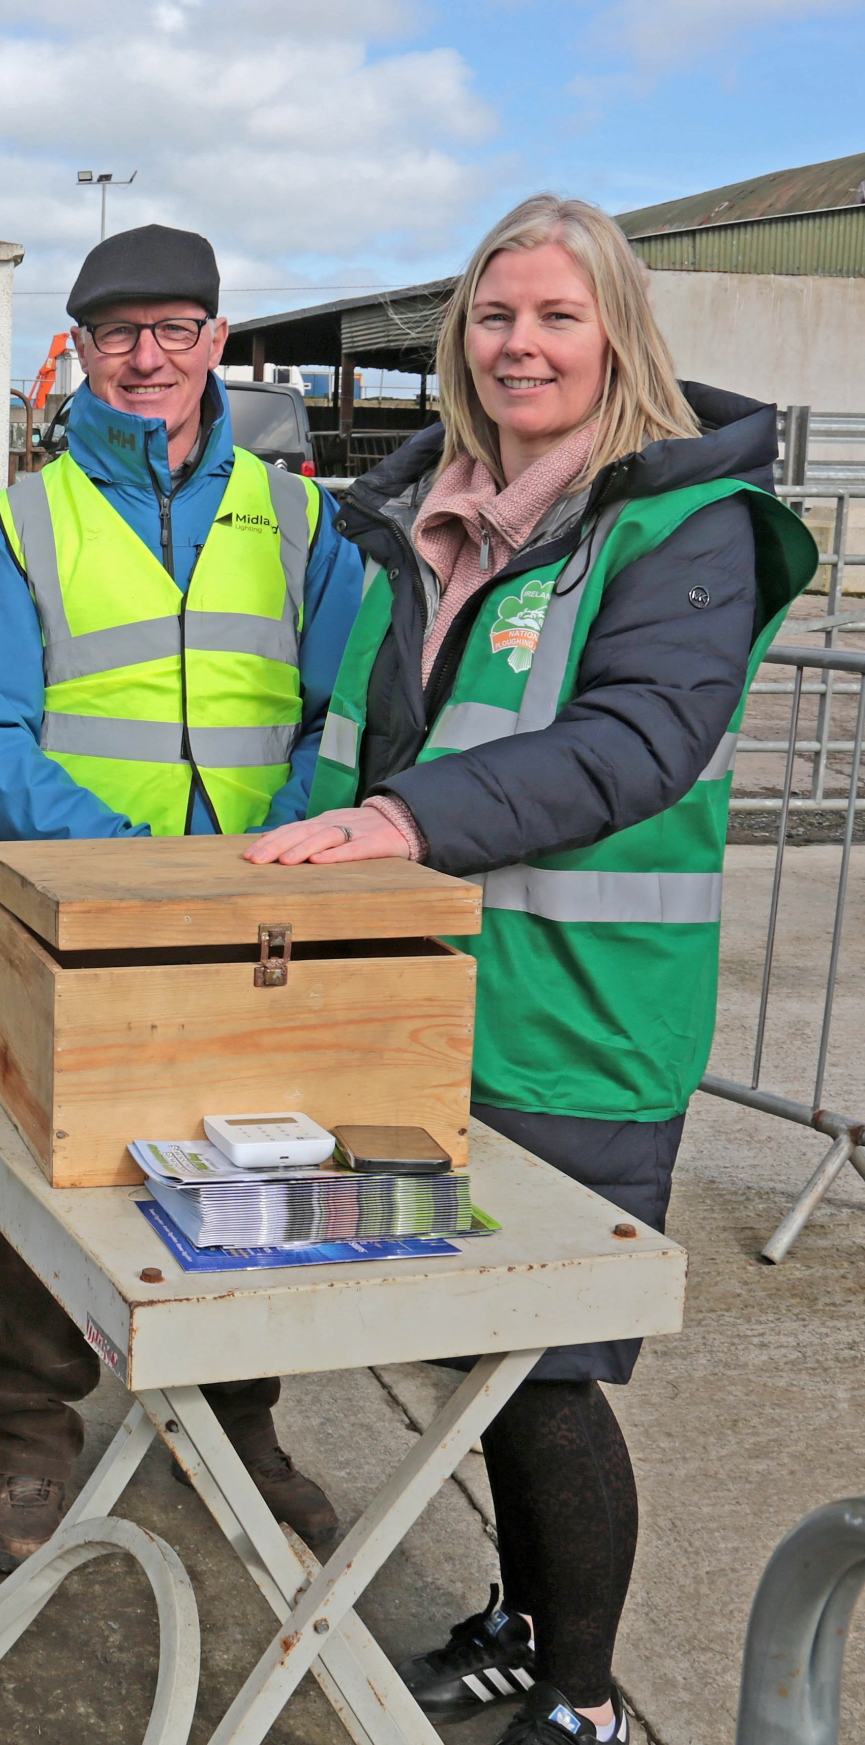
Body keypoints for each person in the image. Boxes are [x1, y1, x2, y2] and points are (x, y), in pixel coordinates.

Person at [250, 194, 816, 1745]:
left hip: (576, 1014)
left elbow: (637, 740)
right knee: (469, 1347)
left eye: (559, 315)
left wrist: (400, 822)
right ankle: (524, 1620)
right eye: (495, 316)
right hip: (422, 1004)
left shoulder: (681, 526)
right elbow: (366, 731)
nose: (523, 345)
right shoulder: (427, 510)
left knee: (546, 1366)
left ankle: (584, 1700)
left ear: (618, 334)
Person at [0, 223, 367, 1572]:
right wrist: (127, 859)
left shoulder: (302, 521)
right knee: (57, 1164)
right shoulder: (19, 524)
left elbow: (345, 713)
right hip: (82, 914)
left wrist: (275, 845)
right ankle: (30, 1430)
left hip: (262, 910)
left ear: (216, 343)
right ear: (78, 349)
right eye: (118, 331)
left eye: (175, 328)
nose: (146, 356)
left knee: (261, 1157)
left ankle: (236, 1417)